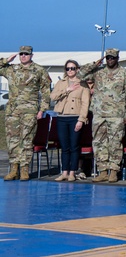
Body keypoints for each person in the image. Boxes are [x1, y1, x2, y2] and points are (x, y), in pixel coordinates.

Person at [77, 47, 126, 183]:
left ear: (117, 58)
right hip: (99, 114)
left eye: (112, 57)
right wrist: (94, 64)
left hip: (116, 114)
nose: (110, 60)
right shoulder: (98, 72)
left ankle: (114, 170)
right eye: (108, 57)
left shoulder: (125, 74)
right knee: (98, 143)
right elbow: (80, 75)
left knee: (115, 143)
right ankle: (102, 171)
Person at [1, 45, 51, 181]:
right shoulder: (11, 69)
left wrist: (42, 109)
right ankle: (14, 169)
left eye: (26, 54)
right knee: (12, 140)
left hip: (30, 111)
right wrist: (6, 60)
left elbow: (46, 91)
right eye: (21, 54)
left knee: (26, 140)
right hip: (13, 111)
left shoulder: (39, 70)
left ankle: (24, 168)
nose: (23, 56)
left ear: (31, 55)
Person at [50, 60, 91, 182]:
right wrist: (67, 89)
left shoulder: (83, 84)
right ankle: (64, 172)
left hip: (75, 117)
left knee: (74, 146)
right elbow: (52, 97)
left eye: (72, 68)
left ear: (77, 69)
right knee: (65, 147)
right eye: (68, 69)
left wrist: (81, 120)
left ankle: (72, 172)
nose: (70, 71)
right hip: (62, 117)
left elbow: (85, 103)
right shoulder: (61, 83)